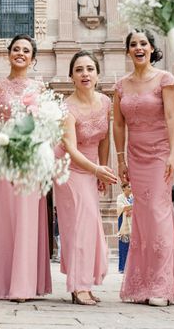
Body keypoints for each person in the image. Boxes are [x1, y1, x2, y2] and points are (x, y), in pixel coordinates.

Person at [113, 29, 174, 306]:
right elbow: (119, 124)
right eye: (133, 44)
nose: (138, 48)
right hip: (135, 155)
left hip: (159, 153)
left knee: (158, 215)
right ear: (128, 51)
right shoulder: (120, 85)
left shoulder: (165, 80)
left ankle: (161, 286)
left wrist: (173, 154)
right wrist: (120, 158)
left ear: (151, 49)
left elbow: (172, 117)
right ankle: (143, 283)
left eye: (143, 43)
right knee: (143, 218)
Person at [0, 34, 52, 300]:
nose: (20, 53)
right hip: (3, 158)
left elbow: (45, 125)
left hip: (30, 158)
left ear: (33, 58)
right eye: (16, 49)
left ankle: (23, 284)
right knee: (3, 216)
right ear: (8, 54)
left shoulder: (40, 88)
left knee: (25, 218)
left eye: (26, 51)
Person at [54, 51, 117, 305]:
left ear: (97, 74)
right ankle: (78, 286)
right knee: (78, 225)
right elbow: (70, 147)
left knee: (90, 225)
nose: (85, 74)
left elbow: (104, 138)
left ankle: (85, 283)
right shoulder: (65, 107)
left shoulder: (105, 102)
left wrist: (101, 167)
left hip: (91, 166)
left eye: (90, 69)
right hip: (69, 167)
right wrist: (95, 169)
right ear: (71, 76)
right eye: (79, 70)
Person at [116, 182, 133, 274]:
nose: (130, 188)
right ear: (123, 188)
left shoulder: (132, 197)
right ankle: (122, 267)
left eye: (131, 187)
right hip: (123, 222)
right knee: (123, 245)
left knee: (132, 246)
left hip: (131, 223)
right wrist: (130, 208)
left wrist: (130, 209)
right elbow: (121, 208)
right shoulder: (120, 197)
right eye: (128, 187)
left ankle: (130, 267)